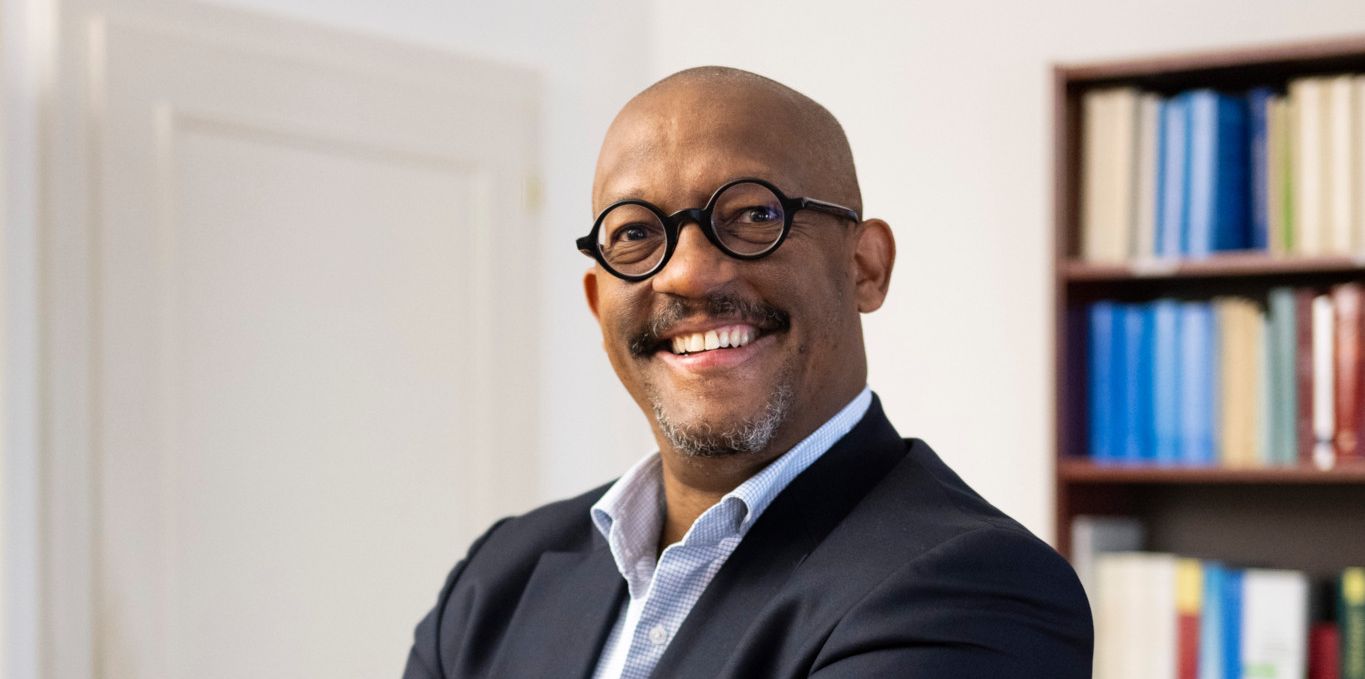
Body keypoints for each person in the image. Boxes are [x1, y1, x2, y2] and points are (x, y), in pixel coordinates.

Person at [402, 67, 1092, 679]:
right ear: (595, 301)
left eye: (753, 214)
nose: (688, 271)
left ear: (864, 267)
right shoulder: (498, 579)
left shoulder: (977, 591)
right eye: (636, 233)